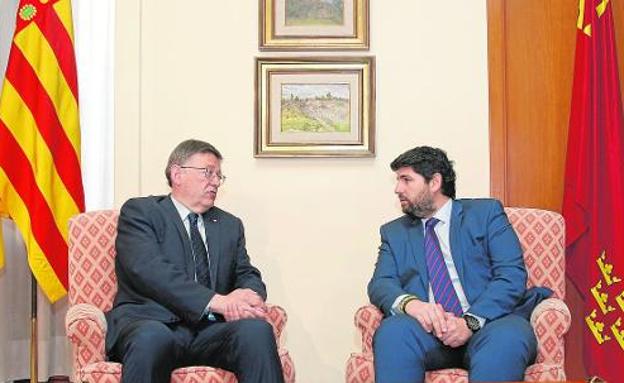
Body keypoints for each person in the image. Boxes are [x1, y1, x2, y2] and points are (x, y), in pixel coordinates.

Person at [105, 139, 284, 383]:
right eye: (208, 172)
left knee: (256, 331)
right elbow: (150, 271)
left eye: (219, 175)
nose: (215, 181)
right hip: (152, 322)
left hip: (209, 331)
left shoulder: (229, 225)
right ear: (177, 173)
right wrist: (218, 301)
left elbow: (245, 271)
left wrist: (250, 294)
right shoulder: (142, 212)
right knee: (151, 338)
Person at [368, 146, 550, 382]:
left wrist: (470, 322)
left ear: (434, 182)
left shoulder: (486, 214)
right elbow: (381, 283)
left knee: (509, 337)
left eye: (406, 180)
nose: (397, 189)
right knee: (393, 332)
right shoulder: (394, 233)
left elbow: (510, 276)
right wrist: (412, 305)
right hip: (427, 333)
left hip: (490, 326)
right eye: (397, 180)